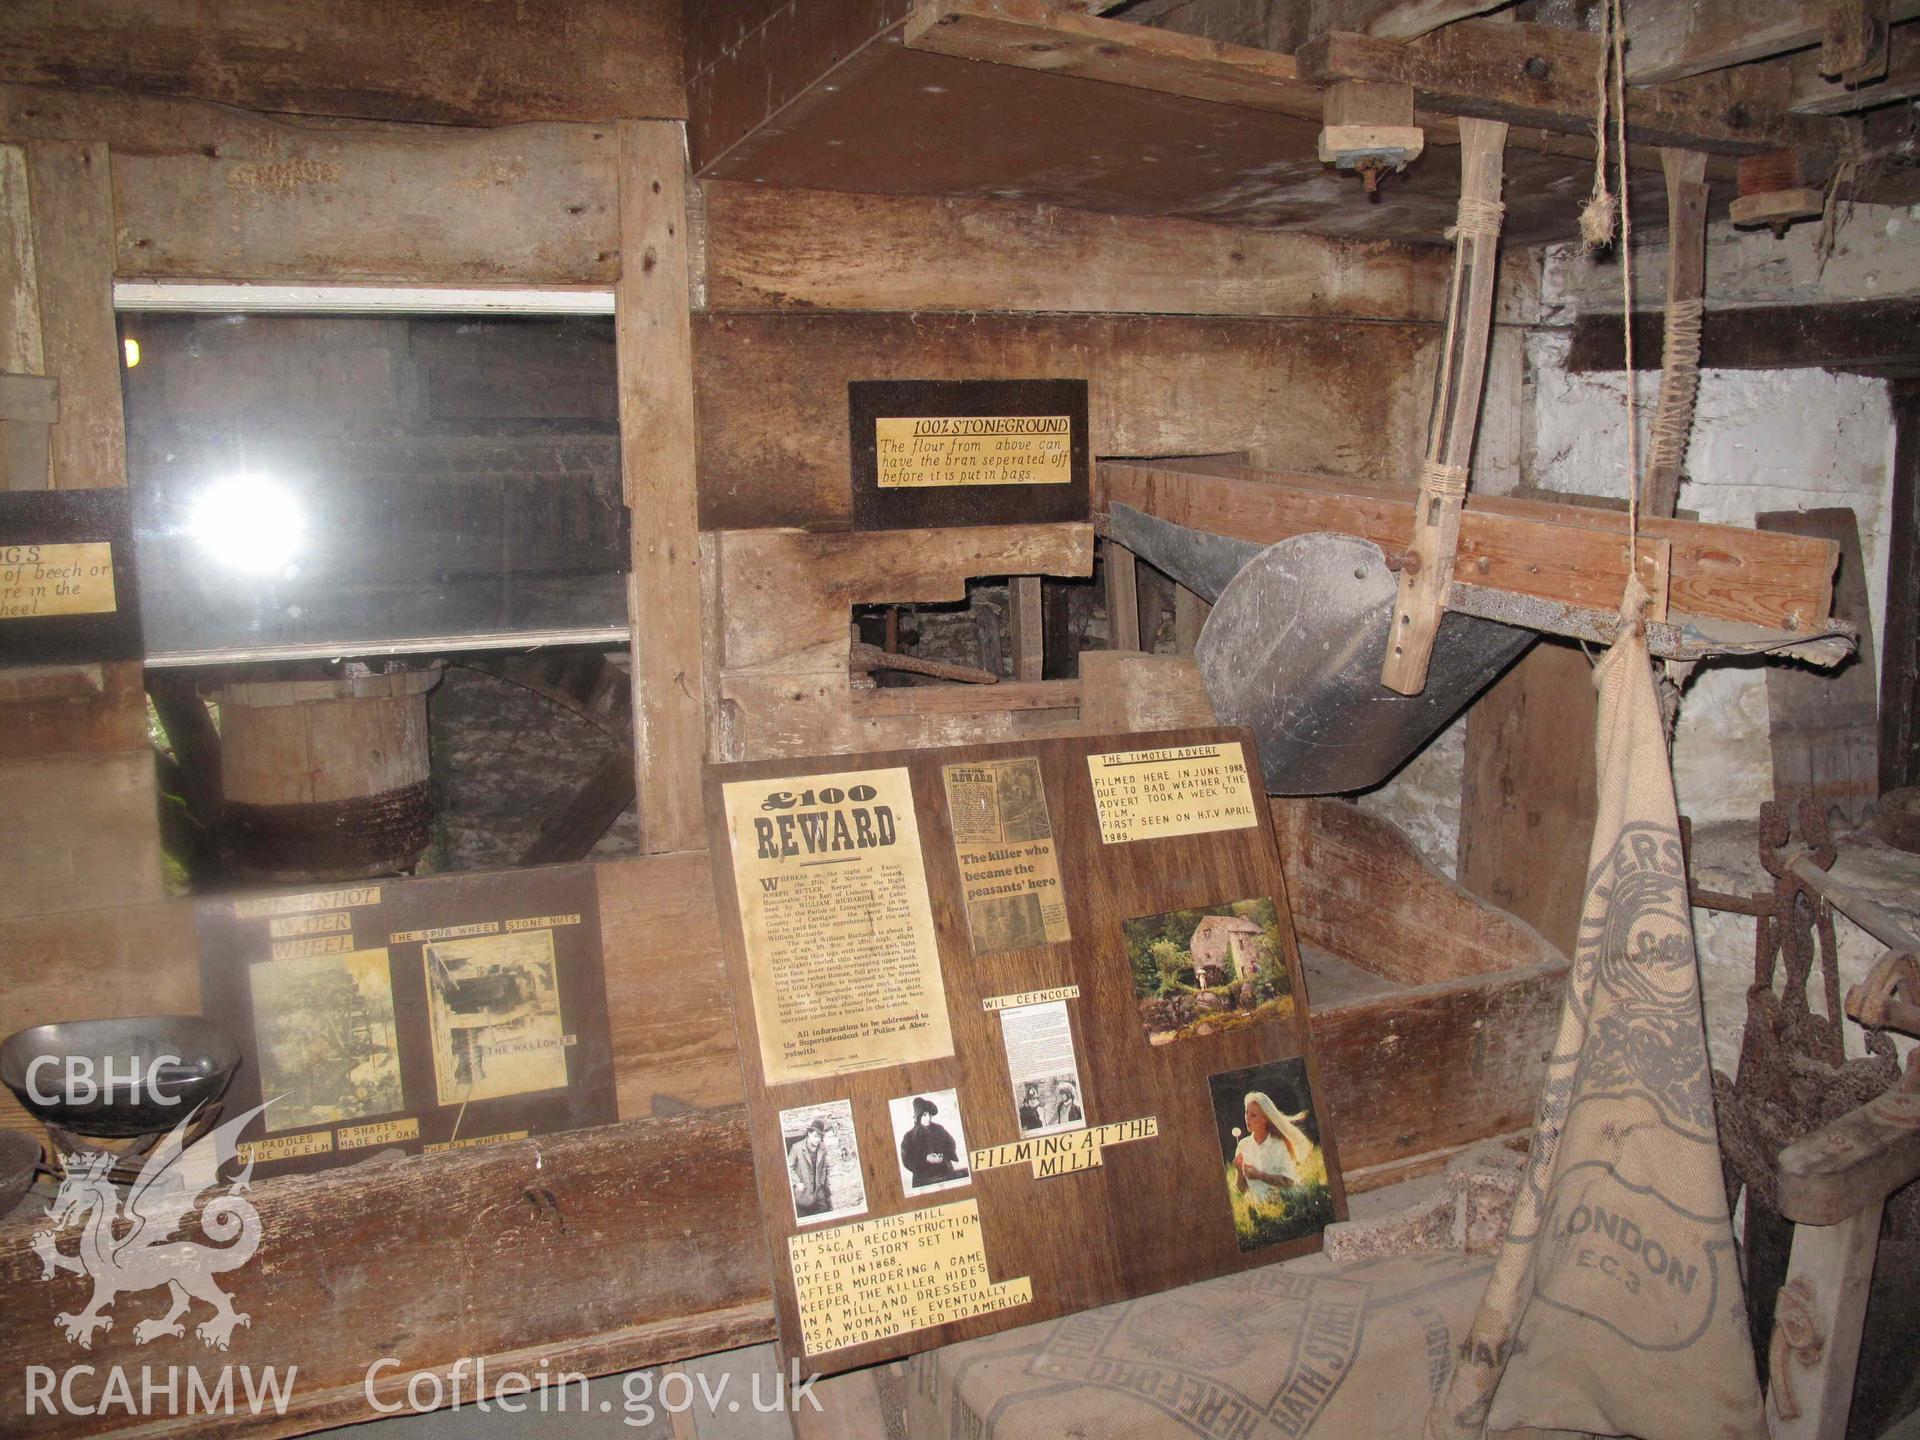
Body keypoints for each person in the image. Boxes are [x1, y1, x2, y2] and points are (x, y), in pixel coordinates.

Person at [1233, 1091, 1311, 1204]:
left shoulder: (1279, 1145)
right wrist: (1239, 1171)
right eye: (1246, 1113)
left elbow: (1288, 1182)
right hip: (1259, 1205)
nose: (1247, 1118)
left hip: (1284, 1202)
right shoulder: (1242, 1145)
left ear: (1265, 1118)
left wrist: (1259, 1175)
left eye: (1253, 1115)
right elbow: (1242, 1188)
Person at [898, 1096, 967, 1189]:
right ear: (918, 1116)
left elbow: (951, 1144)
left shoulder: (939, 1129)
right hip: (923, 1179)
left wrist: (943, 1155)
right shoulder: (909, 1137)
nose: (928, 1118)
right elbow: (906, 1158)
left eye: (930, 1114)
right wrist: (926, 1158)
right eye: (924, 1115)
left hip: (944, 1172)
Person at [789, 1118, 834, 1218]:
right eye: (815, 1136)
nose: (817, 1140)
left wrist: (821, 1183)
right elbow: (789, 1167)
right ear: (809, 1133)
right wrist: (797, 1183)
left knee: (823, 1212)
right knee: (802, 1215)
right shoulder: (796, 1147)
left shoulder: (822, 1147)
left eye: (820, 1137)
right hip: (802, 1191)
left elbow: (824, 1167)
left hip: (818, 1191)